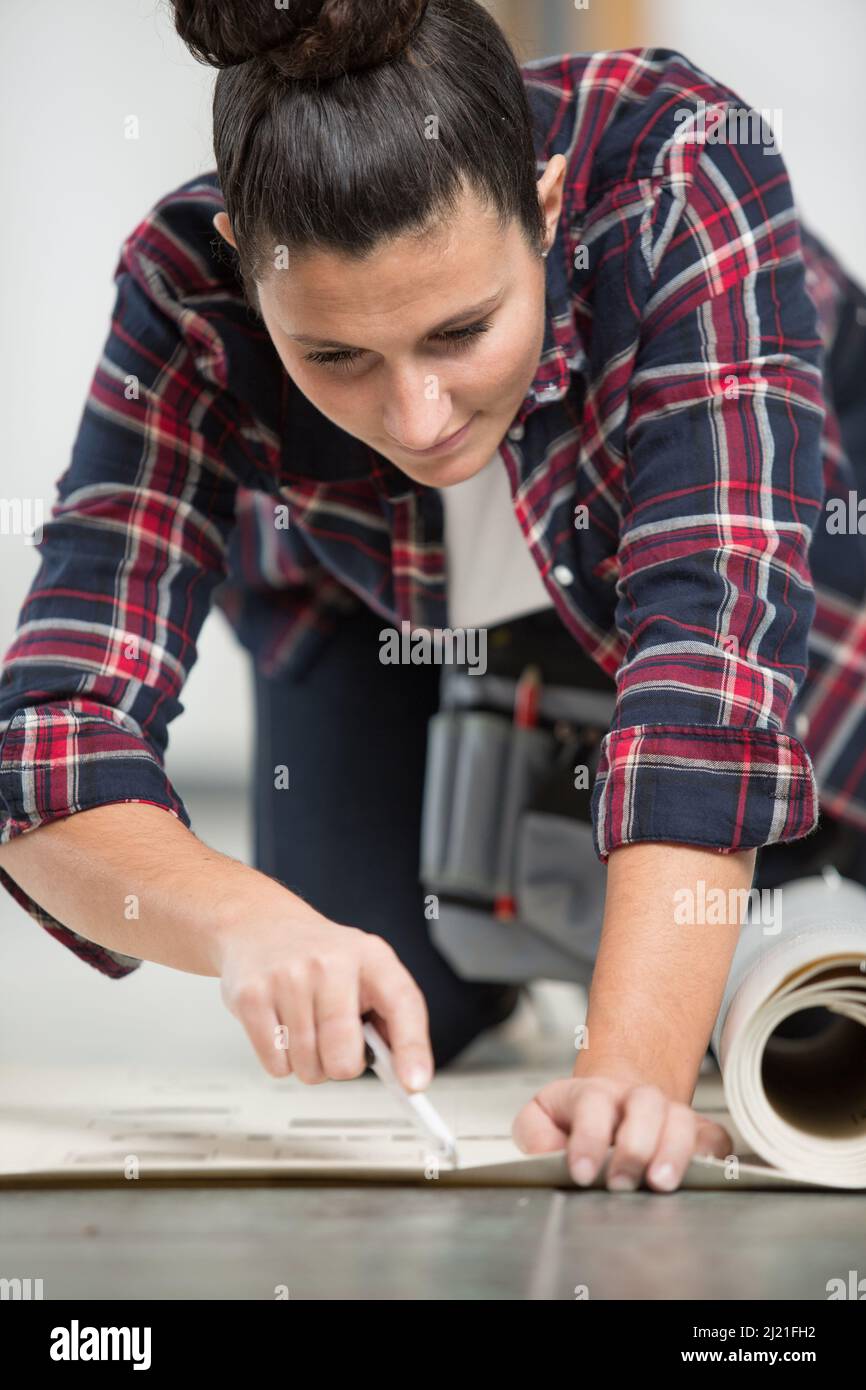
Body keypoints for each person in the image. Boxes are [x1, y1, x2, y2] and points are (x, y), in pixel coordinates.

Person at [1, 0, 864, 1195]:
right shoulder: (183, 286)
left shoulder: (683, 163)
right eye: (336, 357)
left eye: (461, 329)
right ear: (253, 268)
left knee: (789, 904)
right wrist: (246, 917)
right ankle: (570, 900)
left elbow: (702, 677)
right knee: (384, 1006)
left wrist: (628, 1076)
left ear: (547, 206)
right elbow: (49, 744)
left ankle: (653, 914)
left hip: (774, 570)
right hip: (388, 607)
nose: (417, 419)